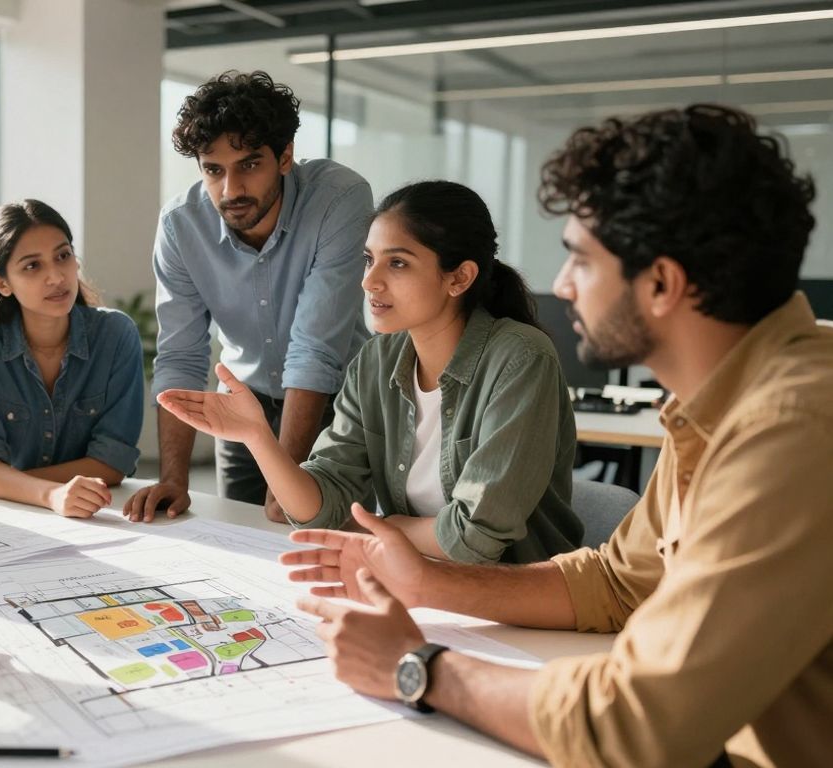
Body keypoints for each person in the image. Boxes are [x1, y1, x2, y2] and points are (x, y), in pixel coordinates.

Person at [281, 105, 833, 767]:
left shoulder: (794, 428)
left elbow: (637, 728)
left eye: (579, 260)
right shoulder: (724, 403)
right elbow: (621, 583)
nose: (564, 285)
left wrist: (420, 667)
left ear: (661, 283)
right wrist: (427, 584)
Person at [161, 181, 581, 563]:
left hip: (514, 600)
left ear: (459, 278)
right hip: (418, 583)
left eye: (397, 264)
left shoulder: (521, 359)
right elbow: (321, 508)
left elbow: (475, 538)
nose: (369, 282)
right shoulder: (375, 361)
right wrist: (258, 437)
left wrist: (383, 529)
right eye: (369, 260)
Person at [125, 70, 372, 524]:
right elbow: (180, 355)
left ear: (284, 157)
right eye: (213, 170)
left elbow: (314, 350)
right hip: (242, 409)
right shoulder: (181, 225)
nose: (231, 190)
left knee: (321, 544)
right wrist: (174, 480)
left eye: (249, 165)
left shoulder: (339, 198)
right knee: (243, 545)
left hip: (336, 409)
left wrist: (288, 478)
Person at [0, 200, 144, 519]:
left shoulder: (115, 335)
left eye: (62, 256)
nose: (56, 276)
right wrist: (50, 494)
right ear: (1, 283)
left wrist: (3, 482)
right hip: (10, 519)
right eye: (32, 266)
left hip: (100, 515)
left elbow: (112, 463)